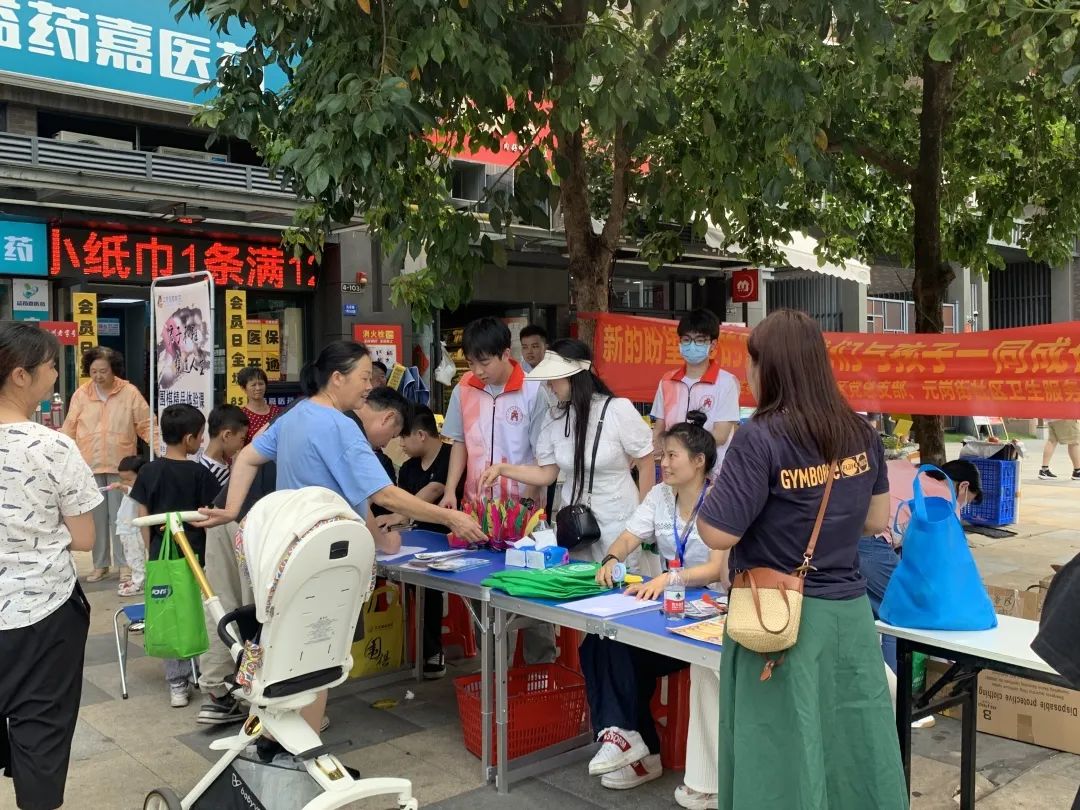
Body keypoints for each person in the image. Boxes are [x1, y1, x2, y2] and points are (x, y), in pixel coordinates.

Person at [196, 340, 485, 735]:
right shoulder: (342, 427)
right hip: (323, 560)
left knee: (282, 646)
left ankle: (277, 735)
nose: (369, 386)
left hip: (285, 554)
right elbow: (383, 494)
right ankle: (302, 745)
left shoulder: (296, 414)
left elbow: (246, 457)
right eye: (364, 377)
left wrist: (232, 509)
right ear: (337, 378)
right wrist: (450, 517)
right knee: (319, 656)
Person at [695, 310, 905, 810]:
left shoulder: (760, 435)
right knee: (850, 746)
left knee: (779, 752)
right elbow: (877, 520)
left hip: (779, 618)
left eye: (752, 362)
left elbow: (717, 531)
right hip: (849, 617)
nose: (747, 373)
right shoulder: (860, 432)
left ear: (770, 367)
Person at [584, 415, 728, 792]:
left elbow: (716, 567)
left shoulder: (722, 499)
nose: (663, 463)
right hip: (667, 609)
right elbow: (628, 537)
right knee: (599, 640)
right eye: (662, 455)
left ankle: (637, 748)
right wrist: (611, 559)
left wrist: (669, 579)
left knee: (622, 651)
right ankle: (626, 738)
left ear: (699, 461)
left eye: (672, 455)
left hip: (707, 616)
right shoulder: (660, 495)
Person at [0, 322, 102, 810]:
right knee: (41, 732)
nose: (56, 375)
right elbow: (84, 538)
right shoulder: (51, 446)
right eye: (49, 366)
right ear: (20, 375)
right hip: (43, 612)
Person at [480, 339, 655, 565]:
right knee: (577, 578)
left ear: (574, 376)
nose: (549, 385)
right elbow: (546, 474)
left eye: (554, 378)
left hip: (619, 521)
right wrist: (502, 469)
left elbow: (646, 462)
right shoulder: (554, 416)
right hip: (575, 524)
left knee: (617, 578)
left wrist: (644, 516)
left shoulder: (617, 409)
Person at [130, 403, 224, 709]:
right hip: (196, 555)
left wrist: (151, 552)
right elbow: (212, 515)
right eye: (200, 435)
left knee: (171, 612)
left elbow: (142, 514)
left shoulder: (148, 471)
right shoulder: (199, 473)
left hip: (161, 555)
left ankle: (177, 682)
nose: (202, 440)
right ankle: (202, 673)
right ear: (188, 439)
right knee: (199, 609)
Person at [862, 459, 983, 672]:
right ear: (963, 486)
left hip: (839, 535)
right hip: (870, 541)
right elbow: (941, 561)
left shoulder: (905, 467)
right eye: (968, 500)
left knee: (869, 613)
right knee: (901, 612)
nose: (963, 506)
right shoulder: (945, 500)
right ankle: (897, 689)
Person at [61, 346, 154, 583]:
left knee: (122, 519)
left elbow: (146, 424)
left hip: (120, 466)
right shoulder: (81, 394)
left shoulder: (129, 392)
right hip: (89, 465)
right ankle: (99, 564)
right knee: (97, 519)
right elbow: (69, 428)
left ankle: (125, 565)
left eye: (103, 371)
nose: (98, 376)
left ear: (114, 370)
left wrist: (161, 448)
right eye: (94, 371)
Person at [376, 405, 455, 679]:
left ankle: (432, 651)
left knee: (428, 586)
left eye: (403, 437)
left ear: (421, 435)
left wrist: (399, 513)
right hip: (417, 540)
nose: (400, 444)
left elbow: (435, 489)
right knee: (404, 578)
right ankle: (408, 647)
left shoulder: (450, 457)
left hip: (449, 542)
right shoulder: (409, 468)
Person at [439, 317, 549, 510]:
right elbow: (460, 442)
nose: (478, 371)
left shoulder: (533, 391)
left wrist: (528, 500)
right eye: (471, 363)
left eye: (484, 362)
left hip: (521, 502)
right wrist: (450, 490)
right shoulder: (464, 388)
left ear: (505, 354)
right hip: (476, 502)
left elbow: (541, 454)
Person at [651, 308, 740, 471]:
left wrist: (679, 448)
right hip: (673, 472)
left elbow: (720, 435)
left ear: (712, 344)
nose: (692, 345)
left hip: (711, 473)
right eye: (686, 340)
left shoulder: (727, 383)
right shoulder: (667, 381)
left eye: (699, 340)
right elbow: (659, 429)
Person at [113, 455, 148, 598]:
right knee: (131, 557)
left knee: (136, 558)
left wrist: (123, 487)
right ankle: (136, 579)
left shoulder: (139, 491)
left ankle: (139, 583)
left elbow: (133, 494)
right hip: (126, 529)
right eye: (123, 480)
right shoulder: (132, 489)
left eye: (129, 479)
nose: (125, 483)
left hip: (134, 530)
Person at [192, 404, 250, 490]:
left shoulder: (221, 463)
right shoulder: (207, 472)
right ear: (227, 435)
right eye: (242, 439)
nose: (242, 445)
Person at [237, 366, 280, 443]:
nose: (258, 388)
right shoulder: (240, 415)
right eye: (253, 385)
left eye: (261, 384)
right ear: (243, 388)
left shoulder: (277, 411)